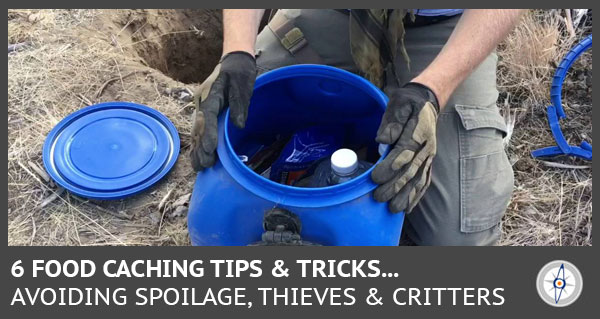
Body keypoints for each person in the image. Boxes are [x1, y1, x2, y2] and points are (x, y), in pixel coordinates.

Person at [190, 9, 524, 246]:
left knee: (455, 240)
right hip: (335, 14)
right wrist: (236, 51)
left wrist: (433, 91)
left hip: (445, 32)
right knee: (227, 117)